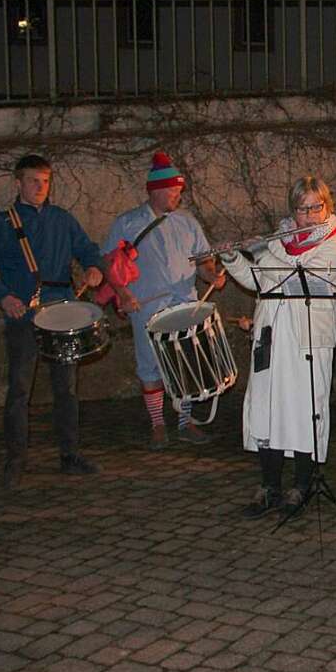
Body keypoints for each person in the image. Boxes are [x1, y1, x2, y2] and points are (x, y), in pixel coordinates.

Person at [0, 154, 105, 488]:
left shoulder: (62, 219)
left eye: (45, 181)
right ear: (18, 183)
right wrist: (2, 296)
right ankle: (15, 460)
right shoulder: (2, 223)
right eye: (32, 181)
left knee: (66, 389)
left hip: (64, 311)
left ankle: (70, 456)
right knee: (20, 391)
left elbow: (88, 249)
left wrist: (94, 267)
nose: (40, 187)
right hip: (24, 315)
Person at [219, 176, 336, 519]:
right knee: (266, 409)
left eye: (315, 207)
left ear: (327, 206)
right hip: (272, 334)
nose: (308, 215)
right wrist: (234, 259)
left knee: (303, 410)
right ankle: (269, 487)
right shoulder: (279, 242)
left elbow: (294, 277)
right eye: (301, 208)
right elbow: (260, 281)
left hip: (307, 338)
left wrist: (261, 251)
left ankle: (302, 485)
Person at [102, 151, 225, 450]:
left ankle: (185, 422)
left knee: (183, 361)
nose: (177, 196)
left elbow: (203, 261)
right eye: (172, 190)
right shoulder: (128, 223)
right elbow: (109, 263)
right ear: (155, 190)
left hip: (184, 305)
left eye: (179, 191)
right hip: (146, 307)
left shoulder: (188, 223)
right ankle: (158, 423)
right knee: (150, 367)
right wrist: (124, 294)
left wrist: (211, 276)